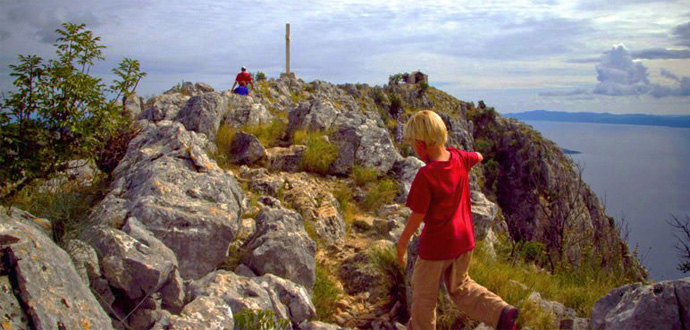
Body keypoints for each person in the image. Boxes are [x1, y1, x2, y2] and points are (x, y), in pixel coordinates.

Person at [396, 110, 518, 330]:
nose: (414, 149)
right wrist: (475, 157)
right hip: (464, 241)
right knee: (461, 287)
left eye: (414, 144)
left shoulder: (427, 175)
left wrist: (403, 242)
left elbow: (417, 215)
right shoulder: (459, 157)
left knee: (424, 295)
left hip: (437, 247)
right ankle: (500, 312)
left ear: (421, 145)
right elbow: (478, 156)